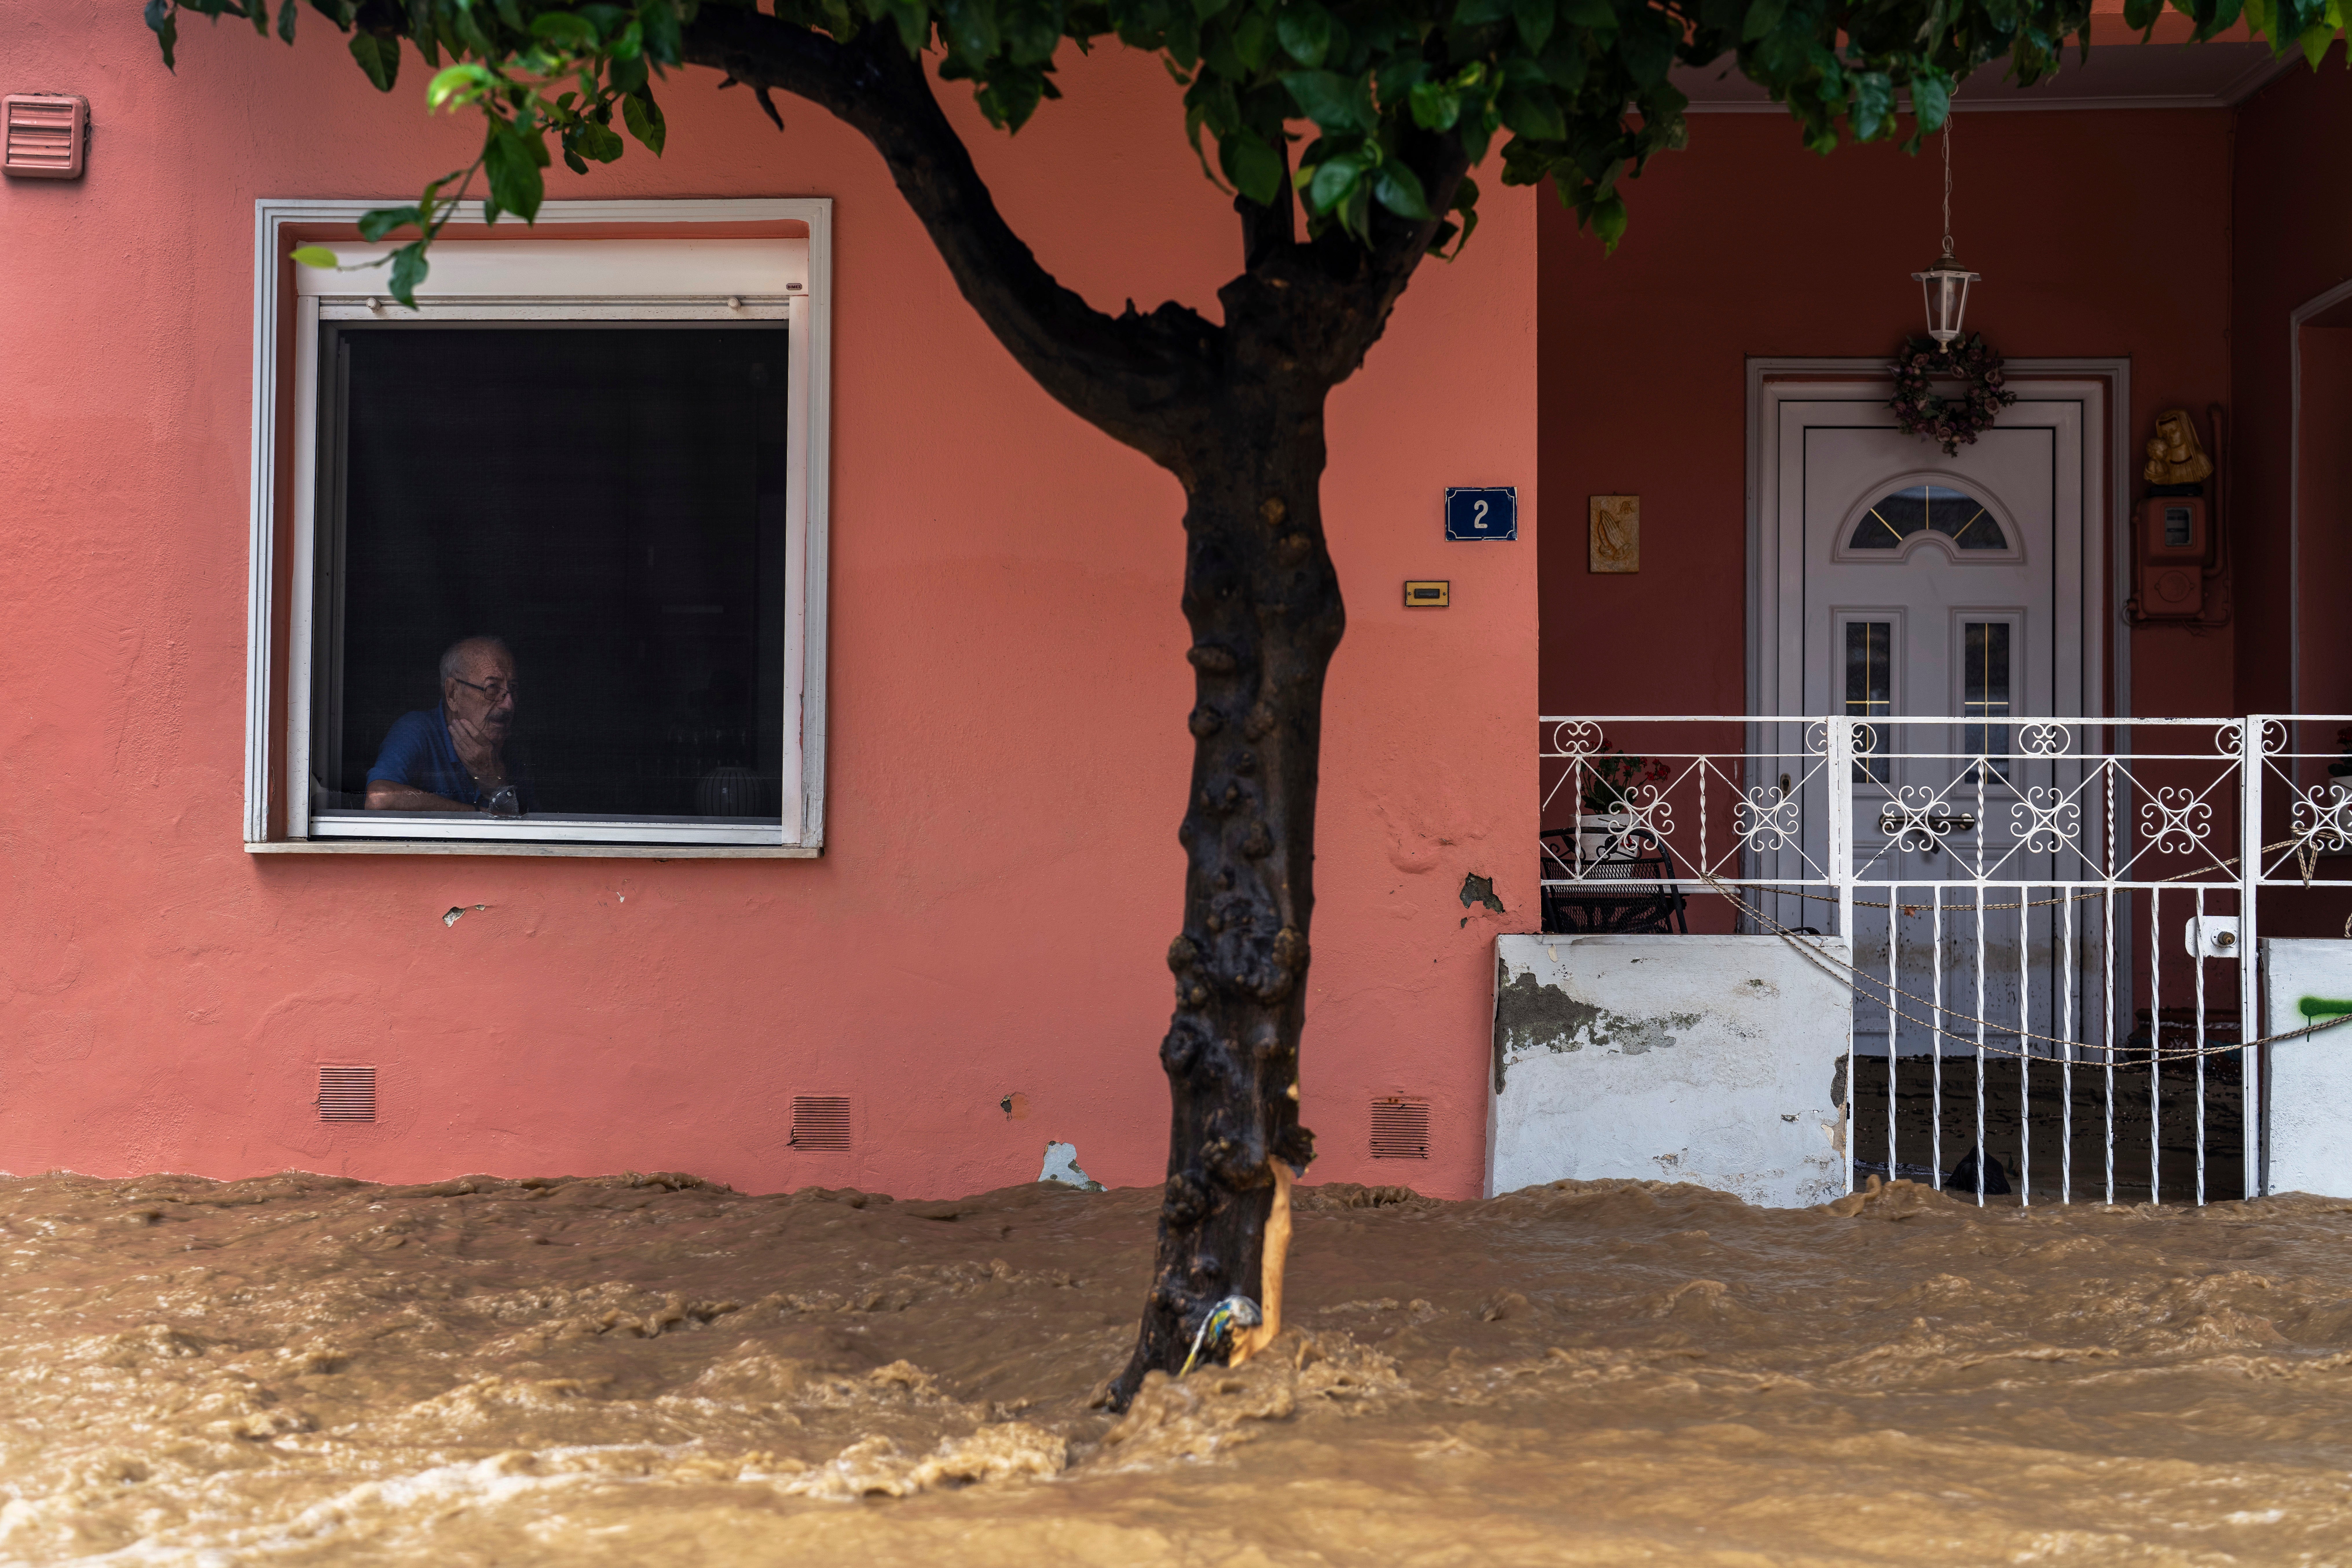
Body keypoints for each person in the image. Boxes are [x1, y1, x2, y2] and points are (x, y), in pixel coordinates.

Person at [365, 635, 529, 816]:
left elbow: (537, 827)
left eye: (512, 689)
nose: (509, 705)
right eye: (492, 688)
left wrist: (495, 784)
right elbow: (379, 798)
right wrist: (476, 814)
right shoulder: (418, 730)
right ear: (453, 694)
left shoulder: (512, 747)